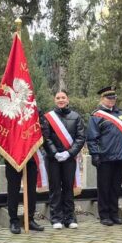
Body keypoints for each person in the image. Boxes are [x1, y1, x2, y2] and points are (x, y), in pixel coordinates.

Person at [40, 90, 86, 230]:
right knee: (55, 188)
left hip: (69, 158)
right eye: (58, 98)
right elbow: (45, 137)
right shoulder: (48, 117)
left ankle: (70, 218)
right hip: (53, 158)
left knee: (68, 187)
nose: (61, 100)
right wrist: (55, 153)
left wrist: (69, 153)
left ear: (68, 99)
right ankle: (56, 218)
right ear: (55, 100)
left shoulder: (76, 117)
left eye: (63, 97)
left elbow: (80, 137)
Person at [87, 86, 122, 226]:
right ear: (102, 99)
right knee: (104, 187)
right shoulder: (96, 116)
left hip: (120, 158)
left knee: (116, 188)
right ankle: (104, 214)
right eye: (108, 98)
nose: (111, 100)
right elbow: (92, 138)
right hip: (105, 158)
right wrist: (95, 154)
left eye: (113, 98)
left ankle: (114, 213)